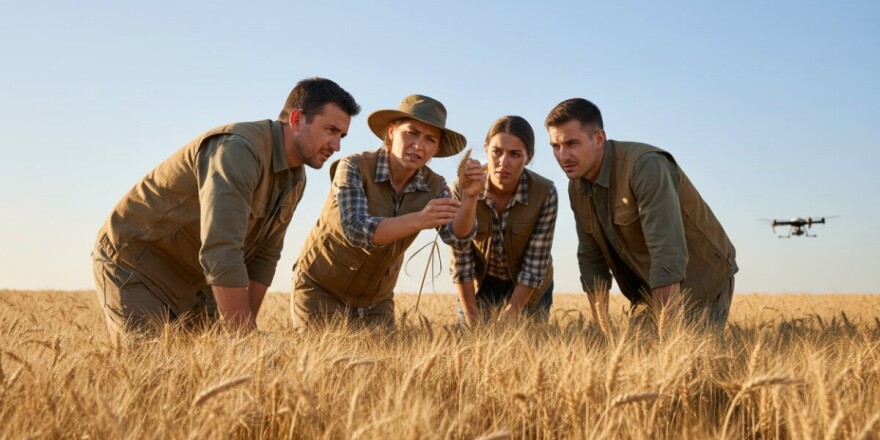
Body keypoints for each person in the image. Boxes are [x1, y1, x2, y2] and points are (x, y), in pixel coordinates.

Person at [92, 78, 360, 333]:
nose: (336, 146)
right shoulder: (238, 149)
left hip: (197, 280)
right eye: (331, 131)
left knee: (207, 368)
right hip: (137, 264)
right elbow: (221, 249)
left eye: (342, 136)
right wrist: (242, 335)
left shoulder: (296, 178)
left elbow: (265, 256)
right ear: (296, 119)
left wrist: (244, 331)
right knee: (148, 367)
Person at [292, 94, 485, 327]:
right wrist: (419, 220)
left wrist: (470, 197)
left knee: (382, 364)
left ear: (437, 148)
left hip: (377, 302)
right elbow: (356, 229)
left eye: (430, 139)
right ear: (392, 131)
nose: (419, 145)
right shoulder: (353, 167)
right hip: (321, 289)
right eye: (411, 132)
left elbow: (457, 238)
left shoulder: (436, 185)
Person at [544, 98, 737, 329]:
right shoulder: (576, 186)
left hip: (701, 276)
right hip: (648, 286)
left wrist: (668, 333)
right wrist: (602, 328)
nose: (563, 156)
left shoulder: (645, 166)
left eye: (571, 143)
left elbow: (666, 251)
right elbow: (590, 258)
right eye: (556, 146)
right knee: (634, 354)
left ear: (598, 139)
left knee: (688, 359)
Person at [450, 116, 558, 327]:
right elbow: (461, 259)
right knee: (470, 344)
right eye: (497, 152)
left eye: (515, 154)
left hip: (529, 287)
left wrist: (509, 317)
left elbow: (534, 266)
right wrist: (472, 320)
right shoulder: (462, 187)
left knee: (529, 348)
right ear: (486, 149)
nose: (503, 162)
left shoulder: (545, 193)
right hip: (482, 283)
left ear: (529, 157)